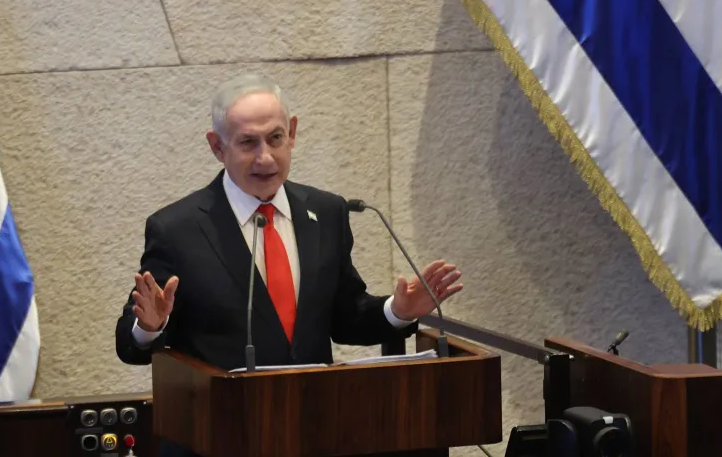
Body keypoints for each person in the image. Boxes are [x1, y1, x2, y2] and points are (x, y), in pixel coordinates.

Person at [114, 74, 463, 450]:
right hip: (218, 437)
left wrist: (398, 310)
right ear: (217, 146)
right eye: (248, 142)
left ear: (292, 132)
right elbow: (129, 343)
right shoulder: (177, 229)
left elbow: (345, 317)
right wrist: (149, 326)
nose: (265, 157)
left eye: (276, 138)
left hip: (312, 432)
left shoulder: (325, 212)